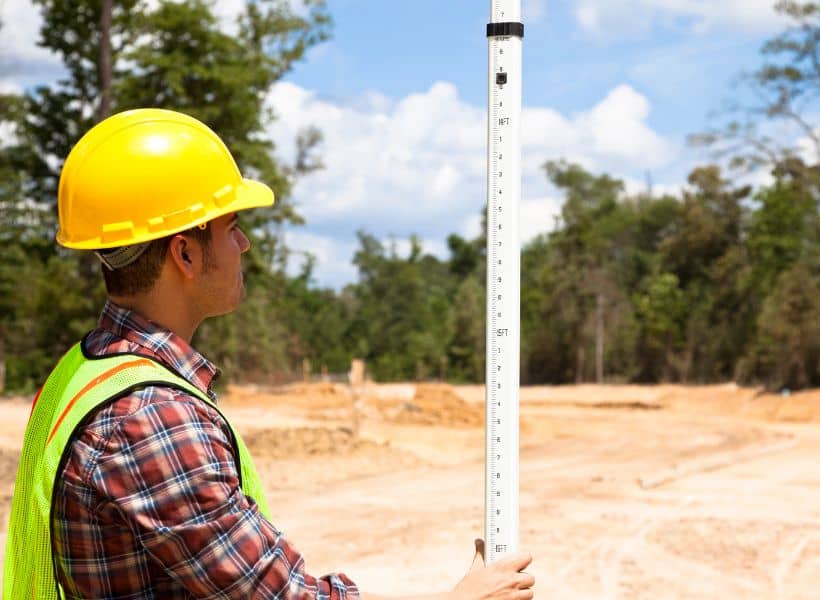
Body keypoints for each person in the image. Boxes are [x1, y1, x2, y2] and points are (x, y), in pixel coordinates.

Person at [4, 109, 535, 600]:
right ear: (185, 253)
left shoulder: (84, 369)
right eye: (232, 227)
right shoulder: (150, 417)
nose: (245, 246)